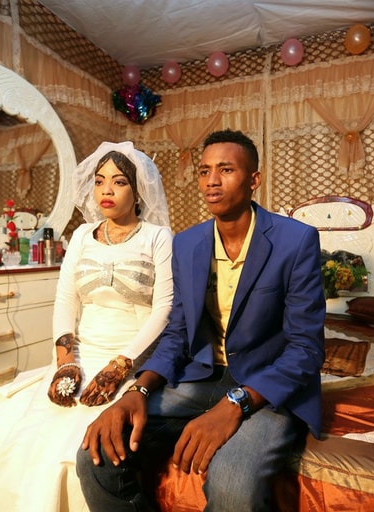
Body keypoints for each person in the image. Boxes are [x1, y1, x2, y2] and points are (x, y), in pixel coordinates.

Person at [77, 129, 326, 511]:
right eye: (205, 171)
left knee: (231, 486)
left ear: (254, 180)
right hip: (203, 376)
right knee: (95, 456)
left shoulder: (296, 240)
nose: (212, 180)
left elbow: (305, 349)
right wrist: (137, 391)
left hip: (267, 384)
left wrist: (235, 404)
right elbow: (177, 332)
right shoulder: (187, 243)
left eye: (226, 170)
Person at [0, 141, 173, 512]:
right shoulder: (83, 235)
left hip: (130, 354)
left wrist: (120, 366)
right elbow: (65, 300)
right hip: (81, 352)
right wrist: (65, 362)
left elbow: (164, 308)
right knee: (22, 433)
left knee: (77, 443)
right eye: (99, 181)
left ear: (137, 192)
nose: (106, 190)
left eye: (118, 182)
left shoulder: (158, 237)